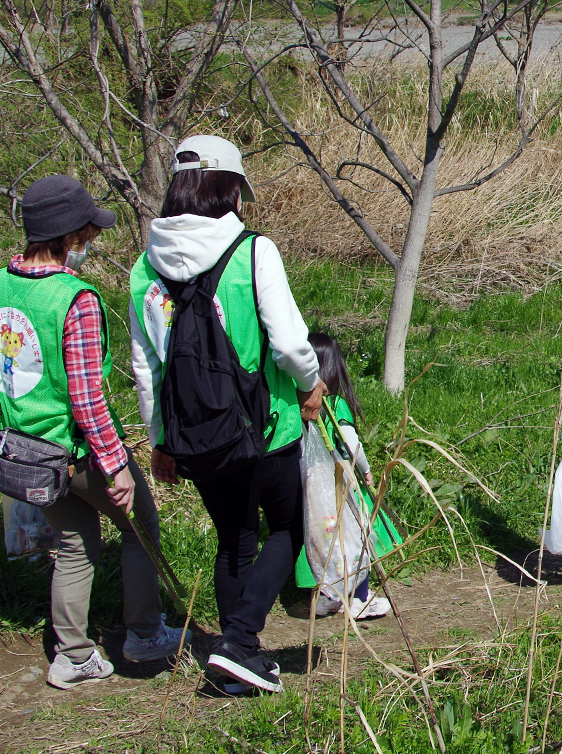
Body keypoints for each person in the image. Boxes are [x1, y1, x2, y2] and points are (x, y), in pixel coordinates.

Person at [129, 135, 327, 694]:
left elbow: (148, 368)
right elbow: (289, 344)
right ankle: (239, 641)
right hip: (266, 426)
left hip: (195, 434)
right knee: (287, 528)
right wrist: (311, 386)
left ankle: (239, 665)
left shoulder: (145, 266)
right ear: (228, 187)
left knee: (233, 540)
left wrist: (161, 439)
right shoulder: (253, 250)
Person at [0, 176, 189, 689]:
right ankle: (145, 634)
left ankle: (74, 655)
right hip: (74, 452)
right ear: (67, 235)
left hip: (22, 454)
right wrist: (116, 466)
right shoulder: (74, 299)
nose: (91, 241)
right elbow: (87, 399)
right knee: (141, 525)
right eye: (86, 232)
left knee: (76, 539)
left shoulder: (3, 284)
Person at [296, 332, 401, 621]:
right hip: (342, 486)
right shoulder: (335, 404)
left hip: (311, 487)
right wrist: (365, 469)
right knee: (357, 541)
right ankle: (359, 599)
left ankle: (327, 597)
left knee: (321, 541)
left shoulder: (299, 406)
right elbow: (349, 441)